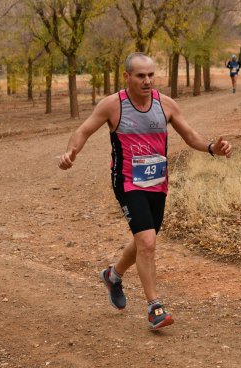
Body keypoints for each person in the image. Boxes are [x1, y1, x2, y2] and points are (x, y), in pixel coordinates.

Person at [58, 53, 232, 331]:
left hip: (157, 182)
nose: (147, 80)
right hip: (127, 182)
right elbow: (83, 131)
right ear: (126, 77)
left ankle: (113, 276)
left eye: (151, 75)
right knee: (148, 243)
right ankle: (155, 307)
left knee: (144, 240)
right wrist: (71, 153)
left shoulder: (166, 105)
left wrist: (212, 147)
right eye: (140, 75)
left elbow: (190, 136)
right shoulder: (113, 105)